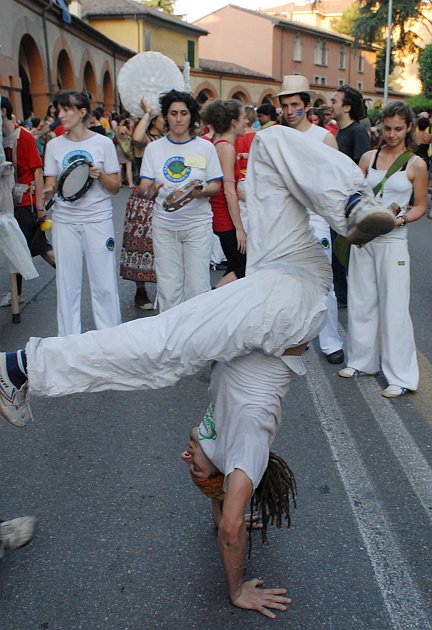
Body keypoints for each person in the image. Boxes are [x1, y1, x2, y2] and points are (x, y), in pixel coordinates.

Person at [0, 125, 396, 431]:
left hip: (286, 292)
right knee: (269, 140)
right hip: (286, 271)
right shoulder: (241, 435)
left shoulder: (239, 436)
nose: (191, 459)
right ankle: (355, 203)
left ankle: (23, 367)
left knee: (164, 341)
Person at [181, 349, 300, 618]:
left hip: (247, 344)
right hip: (279, 342)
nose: (185, 456)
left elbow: (224, 514)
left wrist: (226, 510)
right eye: (195, 469)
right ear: (224, 475)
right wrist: (237, 591)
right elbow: (230, 528)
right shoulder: (244, 454)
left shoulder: (215, 444)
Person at [339, 101, 427, 397]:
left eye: (398, 129)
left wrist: (400, 219)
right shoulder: (368, 157)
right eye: (387, 128)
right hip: (365, 239)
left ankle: (400, 376)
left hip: (393, 241)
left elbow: (421, 207)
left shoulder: (416, 164)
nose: (391, 134)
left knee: (395, 307)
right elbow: (353, 194)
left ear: (409, 128)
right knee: (361, 300)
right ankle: (362, 362)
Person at [43, 89, 122, 336]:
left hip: (98, 220)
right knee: (67, 285)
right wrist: (47, 192)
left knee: (104, 284)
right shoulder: (54, 145)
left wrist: (100, 176)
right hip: (65, 220)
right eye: (59, 109)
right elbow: (51, 182)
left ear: (82, 112)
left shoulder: (104, 144)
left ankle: (110, 340)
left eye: (67, 109)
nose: (61, 114)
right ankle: (68, 343)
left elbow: (116, 188)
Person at [278, 75, 344, 364]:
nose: (290, 110)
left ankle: (331, 343)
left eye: (295, 104)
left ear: (306, 105)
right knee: (290, 283)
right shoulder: (279, 137)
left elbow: (337, 181)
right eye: (285, 105)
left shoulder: (324, 138)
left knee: (322, 282)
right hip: (287, 219)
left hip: (316, 220)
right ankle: (296, 339)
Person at [138, 89, 223, 312]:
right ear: (165, 116)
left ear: (191, 116)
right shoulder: (154, 149)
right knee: (168, 288)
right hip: (164, 226)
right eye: (173, 113)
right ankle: (170, 343)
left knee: (198, 288)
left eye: (183, 113)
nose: (178, 118)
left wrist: (203, 190)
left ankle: (196, 342)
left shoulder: (205, 147)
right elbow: (144, 187)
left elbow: (216, 185)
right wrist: (148, 192)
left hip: (197, 225)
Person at [0, 97, 56, 308]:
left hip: (26, 202)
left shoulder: (23, 136)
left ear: (3, 111)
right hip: (12, 201)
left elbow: (38, 171)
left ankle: (18, 295)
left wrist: (40, 206)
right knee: (19, 246)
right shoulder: (4, 137)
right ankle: (17, 294)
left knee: (38, 247)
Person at [120, 99, 165, 310]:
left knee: (162, 248)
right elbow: (136, 137)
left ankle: (166, 290)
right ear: (155, 119)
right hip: (143, 198)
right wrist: (147, 112)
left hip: (164, 198)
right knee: (139, 246)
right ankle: (141, 291)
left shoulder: (167, 139)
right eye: (164, 115)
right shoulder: (145, 139)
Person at [201, 99, 247, 287]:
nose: (246, 122)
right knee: (242, 267)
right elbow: (229, 191)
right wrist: (239, 229)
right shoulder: (226, 148)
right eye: (244, 118)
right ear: (234, 122)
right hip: (223, 216)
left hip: (220, 213)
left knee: (236, 265)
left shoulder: (218, 143)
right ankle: (210, 303)